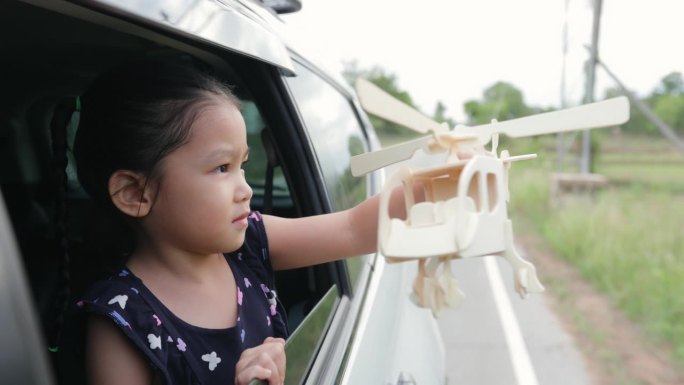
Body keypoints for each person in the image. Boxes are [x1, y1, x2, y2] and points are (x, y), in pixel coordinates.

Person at [72, 56, 408, 385]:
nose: (245, 189)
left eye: (242, 165)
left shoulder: (250, 241)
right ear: (135, 193)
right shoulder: (122, 322)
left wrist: (442, 181)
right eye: (222, 168)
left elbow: (351, 229)